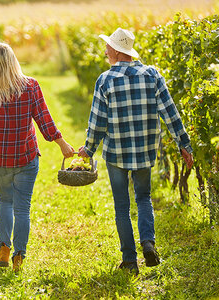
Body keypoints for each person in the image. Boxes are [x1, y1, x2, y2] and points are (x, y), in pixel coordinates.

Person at [78, 28, 194, 275]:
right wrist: (184, 143)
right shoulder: (152, 75)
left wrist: (88, 150)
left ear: (118, 51)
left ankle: (130, 261)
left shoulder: (105, 80)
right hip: (144, 149)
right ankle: (148, 243)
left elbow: (97, 122)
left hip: (116, 152)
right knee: (143, 198)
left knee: (122, 205)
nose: (106, 50)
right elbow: (169, 112)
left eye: (108, 46)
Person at [0, 41, 74, 272]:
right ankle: (19, 256)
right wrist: (62, 143)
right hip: (25, 157)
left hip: (0, 159)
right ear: (13, 60)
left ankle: (3, 251)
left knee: (5, 202)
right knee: (22, 209)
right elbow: (44, 120)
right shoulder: (30, 86)